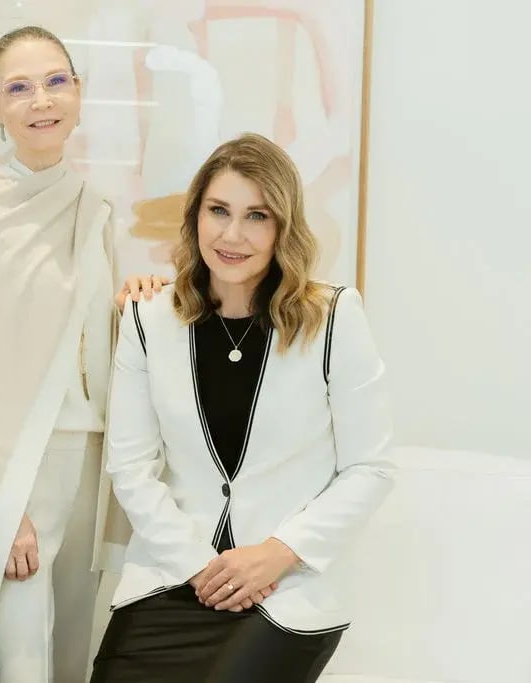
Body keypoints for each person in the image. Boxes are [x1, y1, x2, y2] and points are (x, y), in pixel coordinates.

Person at [93, 132, 395, 682]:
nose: (233, 235)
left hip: (286, 587)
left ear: (283, 226)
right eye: (218, 211)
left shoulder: (334, 317)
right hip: (172, 577)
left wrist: (279, 552)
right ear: (195, 217)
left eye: (257, 216)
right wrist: (199, 566)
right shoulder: (147, 319)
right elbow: (130, 467)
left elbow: (369, 468)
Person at [0, 25, 164, 683]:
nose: (42, 100)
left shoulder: (94, 208)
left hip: (88, 457)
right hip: (16, 469)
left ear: (78, 91)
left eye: (55, 81)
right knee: (22, 659)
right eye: (19, 87)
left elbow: (91, 337)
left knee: (72, 653)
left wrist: (134, 304)